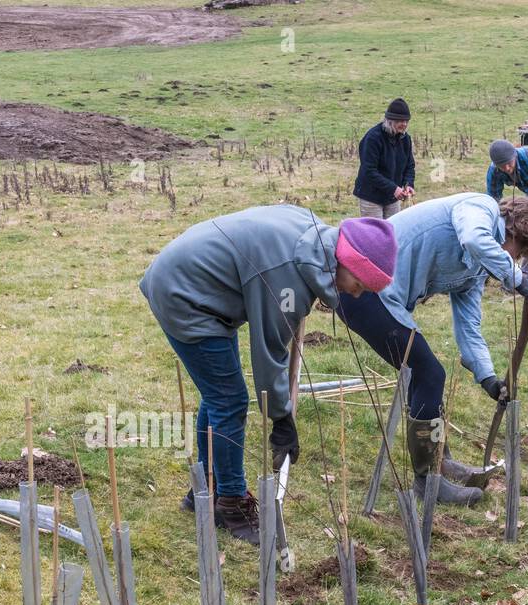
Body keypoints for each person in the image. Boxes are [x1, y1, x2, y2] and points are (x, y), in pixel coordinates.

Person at [141, 206, 398, 545]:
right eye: (360, 284)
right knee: (229, 400)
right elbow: (269, 352)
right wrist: (281, 418)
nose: (356, 293)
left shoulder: (314, 240)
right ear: (347, 261)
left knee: (219, 396)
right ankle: (231, 503)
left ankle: (207, 487)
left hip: (200, 284)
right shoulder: (288, 278)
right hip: (184, 294)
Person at [336, 193, 528, 506]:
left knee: (425, 374)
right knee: (429, 374)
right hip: (360, 288)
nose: (512, 260)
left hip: (382, 297)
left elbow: (468, 326)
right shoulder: (480, 209)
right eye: (518, 253)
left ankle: (440, 461)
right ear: (516, 231)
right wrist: (518, 281)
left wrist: (488, 377)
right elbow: (474, 238)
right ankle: (427, 481)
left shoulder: (476, 270)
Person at [353, 98, 416, 219]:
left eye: (406, 121)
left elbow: (409, 165)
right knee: (375, 235)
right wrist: (393, 188)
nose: (404, 124)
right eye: (400, 121)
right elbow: (369, 171)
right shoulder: (373, 138)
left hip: (392, 197)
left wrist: (408, 184)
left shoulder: (405, 139)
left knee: (393, 231)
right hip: (371, 197)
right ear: (390, 120)